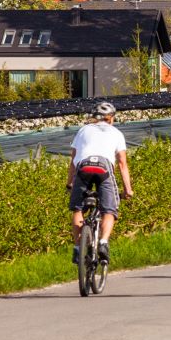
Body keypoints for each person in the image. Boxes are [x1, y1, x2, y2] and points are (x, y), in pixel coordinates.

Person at [68, 101, 133, 264]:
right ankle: (103, 242)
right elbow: (122, 163)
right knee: (109, 210)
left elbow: (73, 161)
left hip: (83, 168)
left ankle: (77, 248)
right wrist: (128, 190)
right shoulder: (116, 133)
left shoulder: (83, 130)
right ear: (111, 118)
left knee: (77, 209)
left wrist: (69, 183)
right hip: (104, 168)